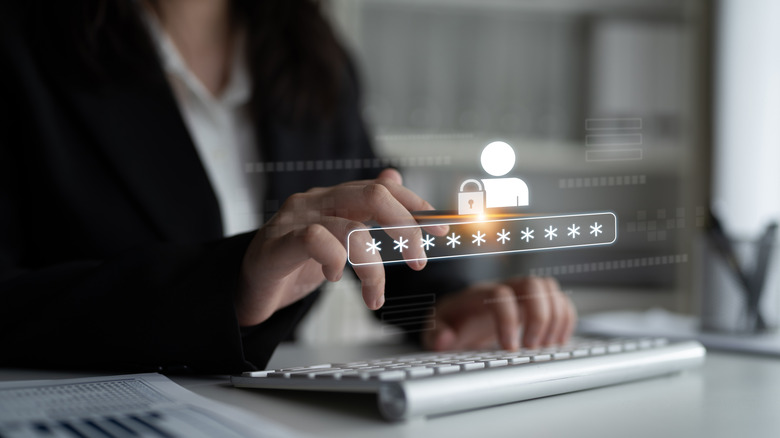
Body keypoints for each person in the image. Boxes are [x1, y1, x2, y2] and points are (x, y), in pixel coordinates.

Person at [0, 0, 576, 374]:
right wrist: (232, 286)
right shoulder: (21, 41)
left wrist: (446, 304)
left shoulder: (313, 57)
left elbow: (371, 219)